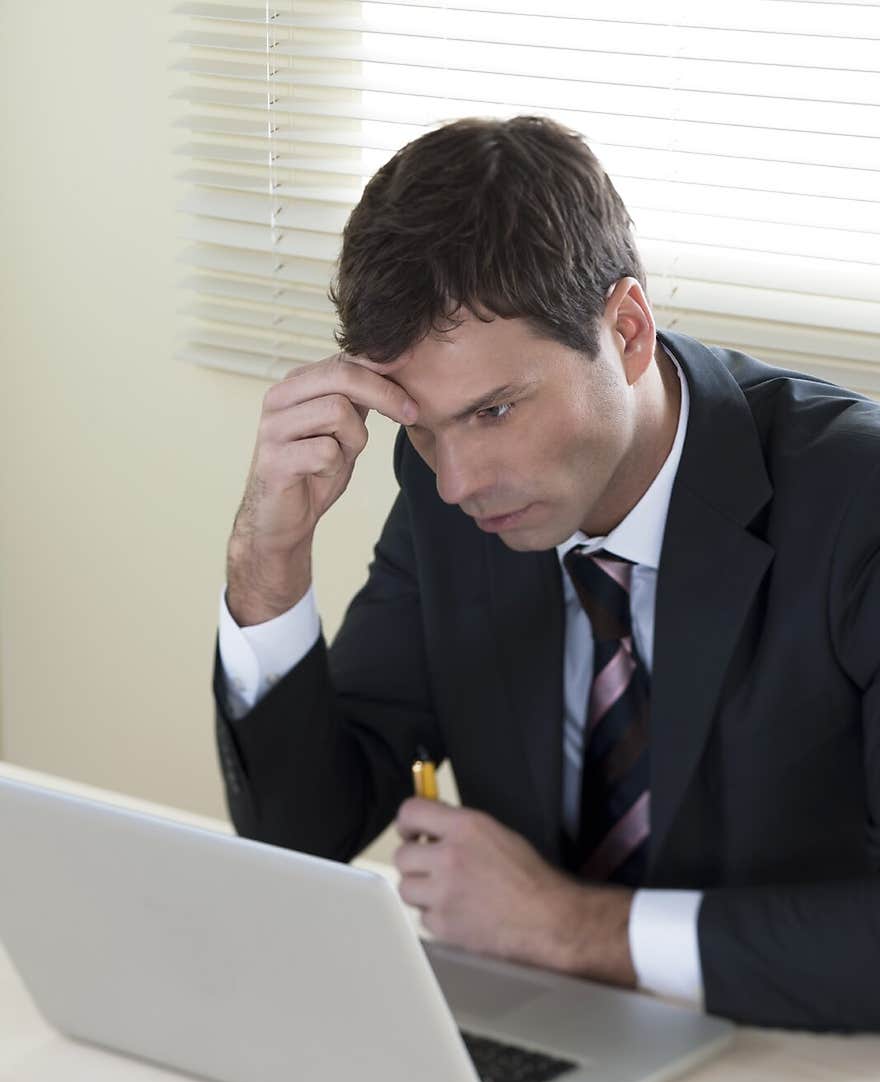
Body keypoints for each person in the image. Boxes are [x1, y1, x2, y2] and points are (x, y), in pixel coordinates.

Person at [213, 116, 880, 1032]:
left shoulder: (858, 505)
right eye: (422, 426)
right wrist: (267, 559)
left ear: (629, 330)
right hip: (550, 1045)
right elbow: (306, 832)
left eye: (494, 410)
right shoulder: (456, 488)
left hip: (802, 1074)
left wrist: (566, 927)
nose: (455, 482)